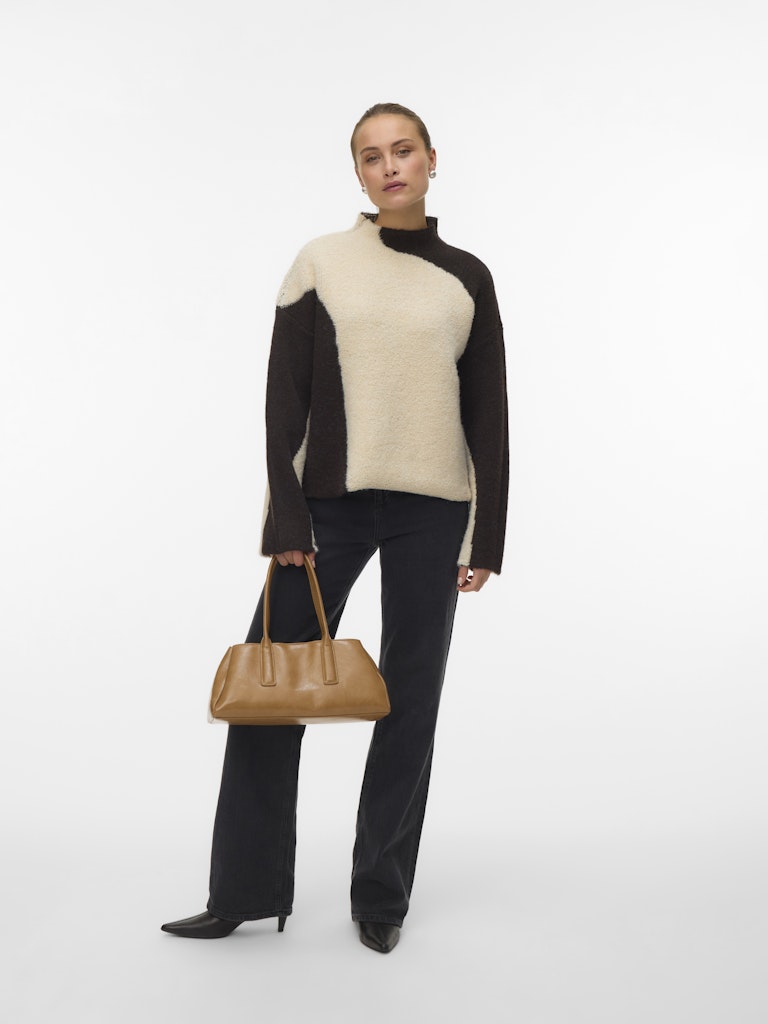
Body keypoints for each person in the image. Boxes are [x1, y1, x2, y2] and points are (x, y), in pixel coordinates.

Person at [161, 101, 509, 954]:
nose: (389, 166)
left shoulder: (468, 277)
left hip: (434, 511)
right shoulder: (321, 262)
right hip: (328, 508)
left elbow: (488, 413)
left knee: (411, 701)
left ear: (432, 160)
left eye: (403, 150)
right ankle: (242, 892)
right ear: (357, 173)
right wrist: (285, 513)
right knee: (266, 692)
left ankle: (380, 897)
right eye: (371, 156)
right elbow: (283, 399)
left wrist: (486, 536)